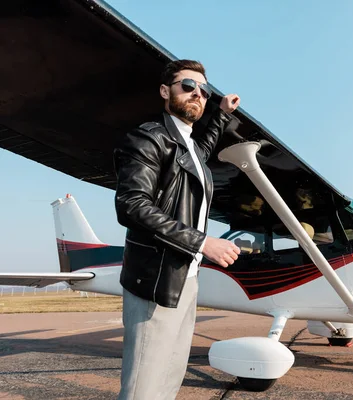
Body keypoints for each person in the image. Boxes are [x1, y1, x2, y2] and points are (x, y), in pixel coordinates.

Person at [113, 59, 241, 399]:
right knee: (145, 384)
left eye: (204, 90)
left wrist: (223, 113)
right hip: (157, 278)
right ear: (164, 91)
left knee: (170, 376)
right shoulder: (148, 138)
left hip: (187, 276)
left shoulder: (190, 147)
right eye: (188, 85)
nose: (197, 94)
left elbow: (205, 146)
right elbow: (131, 205)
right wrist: (202, 243)